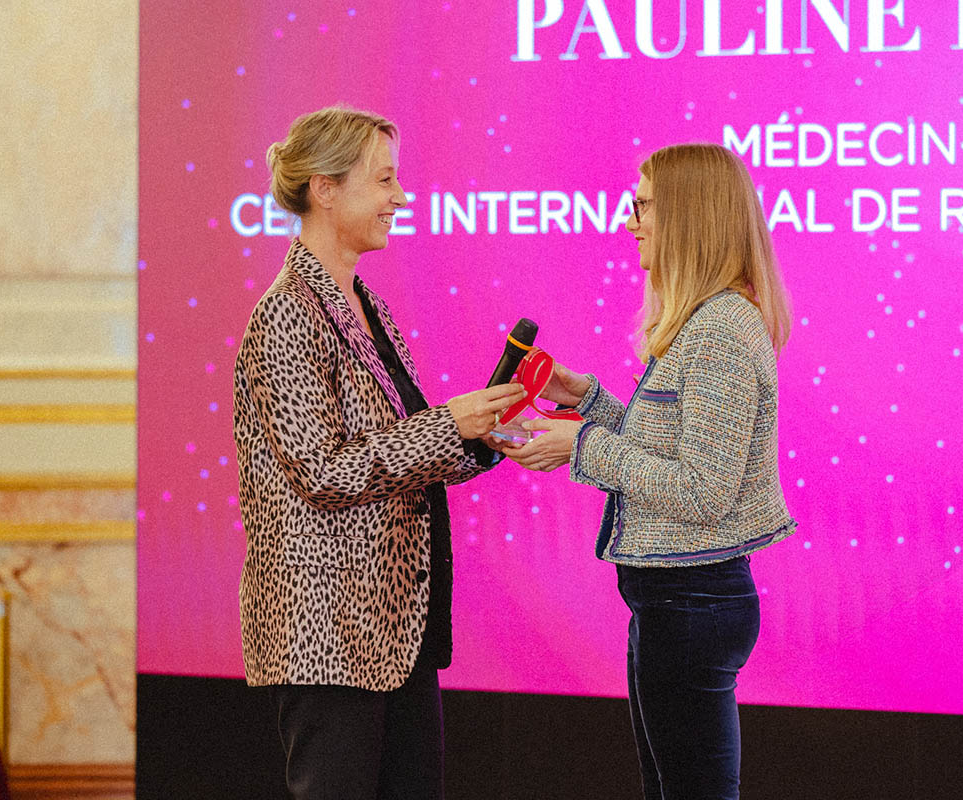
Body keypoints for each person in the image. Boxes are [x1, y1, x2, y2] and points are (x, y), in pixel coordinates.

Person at [232, 106, 525, 800]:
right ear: (324, 189)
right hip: (327, 634)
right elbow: (325, 470)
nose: (401, 197)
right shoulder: (284, 315)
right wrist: (448, 424)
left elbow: (399, 447)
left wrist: (478, 436)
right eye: (384, 180)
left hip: (394, 633)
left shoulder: (367, 304)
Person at [501, 143, 796, 800]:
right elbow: (668, 450)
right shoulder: (705, 321)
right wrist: (591, 401)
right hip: (676, 604)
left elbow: (701, 490)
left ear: (688, 217)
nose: (630, 222)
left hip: (691, 605)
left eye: (643, 207)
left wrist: (578, 444)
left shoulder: (721, 328)